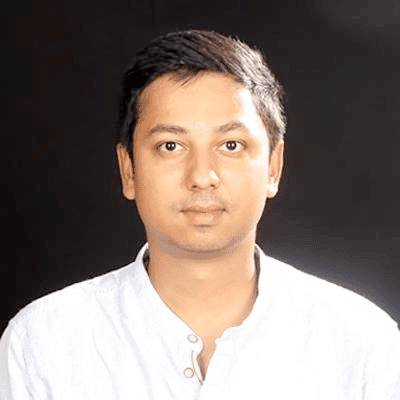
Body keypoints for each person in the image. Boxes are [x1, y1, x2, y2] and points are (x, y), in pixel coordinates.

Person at [1, 29, 399, 399]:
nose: (202, 176)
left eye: (231, 145)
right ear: (128, 170)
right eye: (170, 146)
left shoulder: (362, 345)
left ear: (273, 167)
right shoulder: (44, 343)